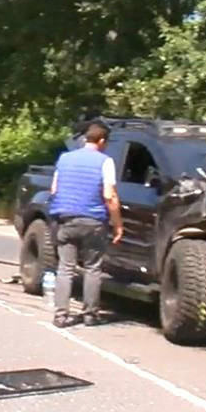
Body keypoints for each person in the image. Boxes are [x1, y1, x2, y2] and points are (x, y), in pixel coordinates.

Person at [46, 122, 124, 328]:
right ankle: (90, 314)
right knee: (92, 268)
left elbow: (54, 189)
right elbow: (109, 196)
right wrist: (118, 224)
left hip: (66, 219)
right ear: (102, 141)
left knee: (65, 269)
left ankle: (61, 315)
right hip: (93, 221)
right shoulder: (105, 162)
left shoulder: (64, 158)